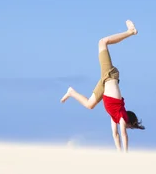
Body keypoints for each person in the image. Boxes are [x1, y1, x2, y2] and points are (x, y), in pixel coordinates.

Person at [60, 20, 145, 152]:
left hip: (105, 83)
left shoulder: (114, 117)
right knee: (102, 42)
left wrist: (119, 152)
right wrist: (126, 153)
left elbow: (115, 135)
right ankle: (131, 32)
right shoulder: (122, 117)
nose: (126, 127)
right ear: (128, 121)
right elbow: (123, 135)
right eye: (129, 126)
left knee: (89, 104)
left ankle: (71, 92)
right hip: (110, 76)